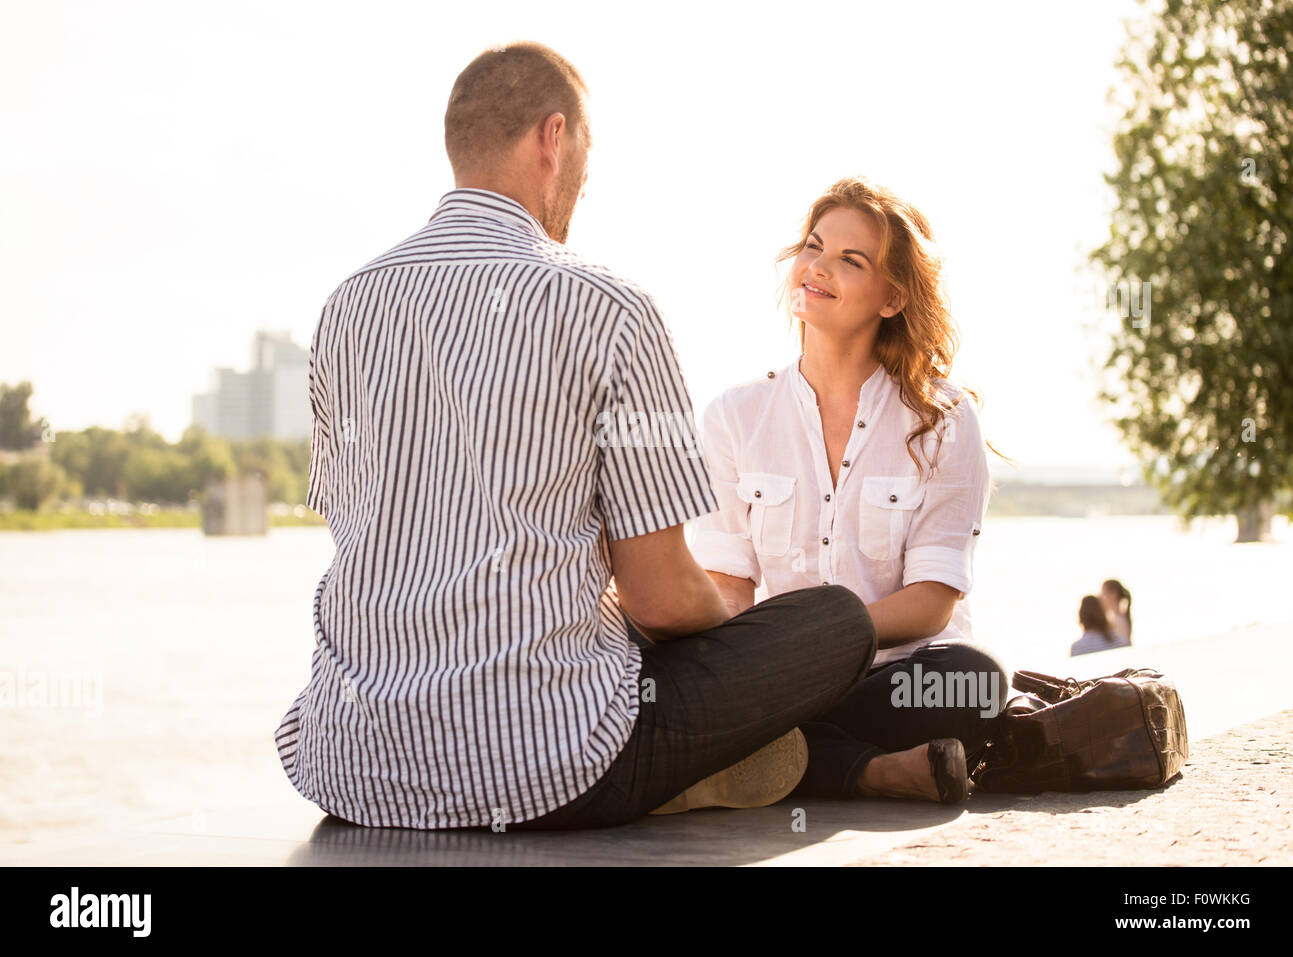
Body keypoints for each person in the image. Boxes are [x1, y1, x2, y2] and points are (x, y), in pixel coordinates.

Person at [274, 42, 886, 832]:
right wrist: (732, 637)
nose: (587, 179)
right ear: (553, 138)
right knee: (835, 622)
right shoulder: (611, 309)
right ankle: (696, 770)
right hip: (550, 769)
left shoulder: (346, 309)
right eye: (587, 151)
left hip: (354, 768)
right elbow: (662, 599)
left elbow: (364, 533)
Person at [686, 177, 1011, 803]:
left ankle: (792, 761)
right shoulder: (734, 415)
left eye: (849, 260)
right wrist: (733, 669)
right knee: (674, 687)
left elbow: (931, 604)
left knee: (978, 681)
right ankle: (874, 771)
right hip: (783, 680)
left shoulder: (942, 418)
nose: (818, 267)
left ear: (891, 298)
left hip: (903, 676)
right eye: (814, 246)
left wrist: (818, 644)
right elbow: (730, 586)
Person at [1100, 578, 1133, 644]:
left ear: (1114, 594)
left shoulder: (1117, 620)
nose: (1102, 597)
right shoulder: (1118, 617)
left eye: (1104, 593)